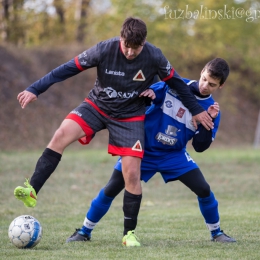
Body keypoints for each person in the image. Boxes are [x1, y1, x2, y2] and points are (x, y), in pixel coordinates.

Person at [13, 17, 213, 246]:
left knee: (131, 175)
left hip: (130, 117)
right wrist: (35, 88)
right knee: (60, 135)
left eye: (135, 48)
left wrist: (197, 111)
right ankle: (32, 190)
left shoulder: (154, 56)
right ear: (121, 38)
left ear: (144, 43)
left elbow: (177, 83)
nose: (129, 52)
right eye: (126, 45)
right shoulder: (103, 49)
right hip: (96, 106)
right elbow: (67, 69)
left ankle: (129, 234)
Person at [66, 58, 236, 246]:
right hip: (142, 150)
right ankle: (84, 231)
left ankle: (217, 233)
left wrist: (207, 122)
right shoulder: (173, 85)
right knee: (111, 188)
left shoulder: (212, 110)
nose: (205, 86)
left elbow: (200, 147)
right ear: (202, 71)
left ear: (221, 86)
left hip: (174, 155)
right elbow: (142, 101)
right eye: (204, 79)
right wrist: (149, 96)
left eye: (212, 84)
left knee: (204, 189)